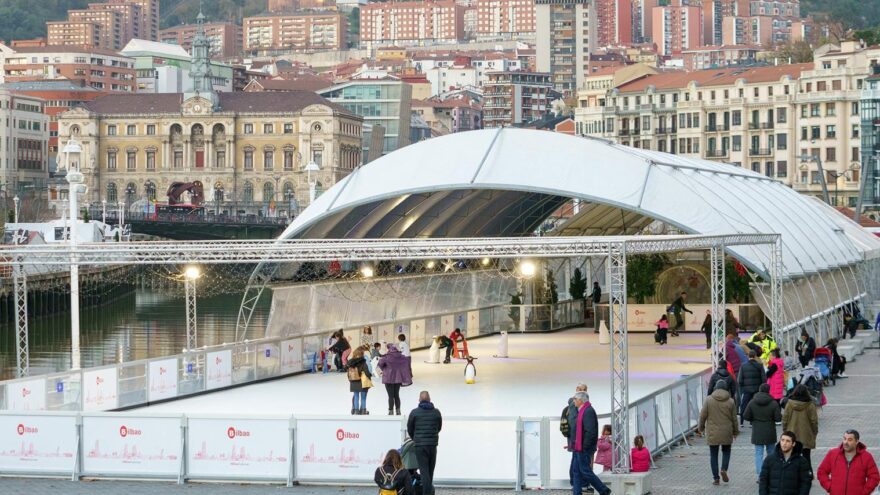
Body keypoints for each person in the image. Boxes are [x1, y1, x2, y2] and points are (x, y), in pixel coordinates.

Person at [567, 392, 611, 495]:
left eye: (575, 399)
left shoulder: (588, 411)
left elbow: (590, 431)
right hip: (577, 447)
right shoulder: (582, 410)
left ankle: (604, 490)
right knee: (576, 472)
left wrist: (584, 447)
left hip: (583, 448)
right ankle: (577, 493)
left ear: (580, 400)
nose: (574, 401)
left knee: (585, 472)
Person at [699, 380, 739, 485]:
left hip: (712, 432)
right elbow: (734, 419)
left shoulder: (708, 400)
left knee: (713, 455)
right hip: (726, 431)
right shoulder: (730, 401)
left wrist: (701, 428)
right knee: (726, 451)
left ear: (715, 388)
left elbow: (703, 415)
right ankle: (724, 469)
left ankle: (716, 478)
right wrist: (735, 432)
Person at [817, 429, 880, 495]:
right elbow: (821, 471)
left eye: (849, 440)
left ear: (857, 441)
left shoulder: (866, 457)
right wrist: (829, 487)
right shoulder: (833, 454)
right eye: (844, 439)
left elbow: (874, 477)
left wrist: (864, 492)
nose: (845, 442)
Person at [407, 391, 442, 495]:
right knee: (430, 471)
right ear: (430, 399)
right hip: (432, 446)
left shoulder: (414, 413)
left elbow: (410, 429)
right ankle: (429, 492)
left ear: (419, 400)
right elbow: (439, 427)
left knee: (424, 471)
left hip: (420, 446)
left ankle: (427, 492)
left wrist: (415, 438)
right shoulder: (436, 412)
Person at [744, 383, 782, 477]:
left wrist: (754, 419)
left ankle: (760, 475)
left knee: (758, 454)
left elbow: (745, 416)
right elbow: (778, 418)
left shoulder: (752, 402)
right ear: (768, 391)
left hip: (757, 431)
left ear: (759, 390)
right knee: (771, 454)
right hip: (770, 432)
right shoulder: (773, 403)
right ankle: (772, 474)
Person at [759, 430, 812, 495]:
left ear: (793, 444)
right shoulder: (770, 459)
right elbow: (763, 480)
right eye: (782, 440)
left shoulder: (801, 461)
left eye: (788, 441)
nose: (784, 443)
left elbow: (805, 483)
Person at [782, 384, 818, 476]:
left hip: (791, 433)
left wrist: (785, 431)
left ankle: (792, 475)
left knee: (792, 456)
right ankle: (809, 474)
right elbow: (814, 420)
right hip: (806, 433)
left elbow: (785, 418)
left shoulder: (789, 404)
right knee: (806, 456)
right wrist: (814, 432)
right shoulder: (810, 404)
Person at [378, 344, 413, 416]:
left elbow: (380, 364)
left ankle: (390, 411)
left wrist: (384, 369)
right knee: (396, 395)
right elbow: (407, 362)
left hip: (388, 379)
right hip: (398, 379)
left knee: (390, 396)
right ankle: (398, 410)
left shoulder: (386, 357)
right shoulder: (401, 357)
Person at [738, 349, 767, 426]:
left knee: (744, 405)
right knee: (756, 405)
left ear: (748, 356)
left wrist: (742, 388)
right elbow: (764, 379)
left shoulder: (743, 366)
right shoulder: (760, 366)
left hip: (746, 390)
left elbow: (740, 380)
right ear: (755, 356)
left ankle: (741, 421)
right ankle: (752, 421)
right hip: (757, 390)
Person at [345, 347, 372, 415]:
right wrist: (369, 376)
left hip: (353, 381)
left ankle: (356, 411)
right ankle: (363, 411)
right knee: (363, 397)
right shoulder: (363, 361)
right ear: (362, 354)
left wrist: (350, 380)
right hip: (362, 382)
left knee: (356, 396)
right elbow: (366, 372)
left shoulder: (350, 362)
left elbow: (348, 373)